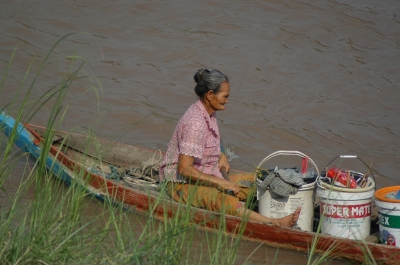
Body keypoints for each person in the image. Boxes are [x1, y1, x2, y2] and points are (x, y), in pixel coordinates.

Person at [159, 68, 300, 227]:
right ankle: (274, 222)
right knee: (225, 201)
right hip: (180, 183)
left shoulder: (209, 113)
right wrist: (221, 183)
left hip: (207, 172)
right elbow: (184, 169)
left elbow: (209, 142)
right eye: (225, 96)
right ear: (210, 94)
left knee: (257, 182)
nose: (227, 101)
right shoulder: (195, 123)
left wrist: (221, 155)